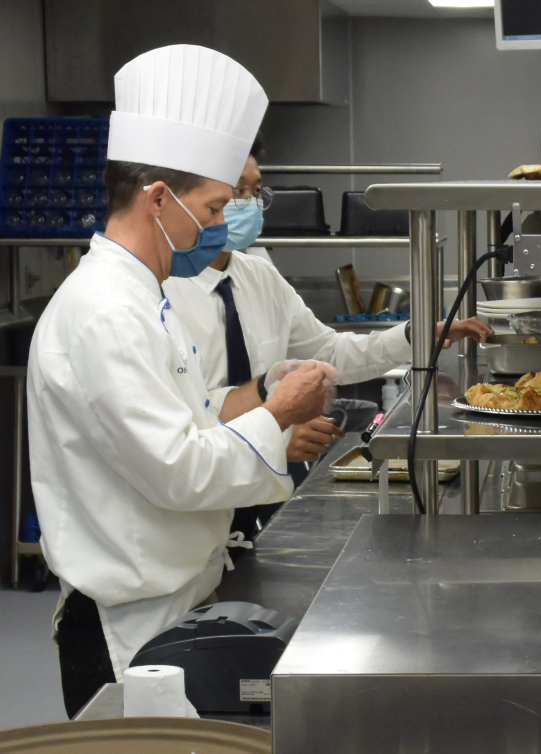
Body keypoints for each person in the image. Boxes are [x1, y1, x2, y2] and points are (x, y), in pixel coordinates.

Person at [26, 45, 332, 718]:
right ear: (158, 199)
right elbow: (179, 469)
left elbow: (190, 415)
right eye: (217, 204)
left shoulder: (145, 297)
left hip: (181, 597)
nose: (224, 223)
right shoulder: (104, 312)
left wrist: (257, 399)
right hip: (126, 625)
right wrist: (277, 414)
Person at [161, 153, 492, 535]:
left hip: (253, 510)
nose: (248, 204)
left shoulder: (260, 277)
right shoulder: (163, 291)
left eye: (256, 192)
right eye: (236, 193)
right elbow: (186, 421)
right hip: (191, 517)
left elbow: (330, 353)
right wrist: (276, 434)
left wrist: (415, 336)